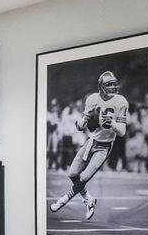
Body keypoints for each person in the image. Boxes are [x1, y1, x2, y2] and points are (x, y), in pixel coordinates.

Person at [48, 70, 130, 221]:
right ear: (101, 86)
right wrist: (81, 123)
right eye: (109, 85)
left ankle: (63, 200)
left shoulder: (121, 102)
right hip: (91, 141)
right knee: (72, 174)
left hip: (104, 146)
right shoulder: (93, 99)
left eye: (114, 84)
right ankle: (89, 199)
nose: (113, 87)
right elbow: (83, 122)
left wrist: (112, 123)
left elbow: (122, 132)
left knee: (84, 177)